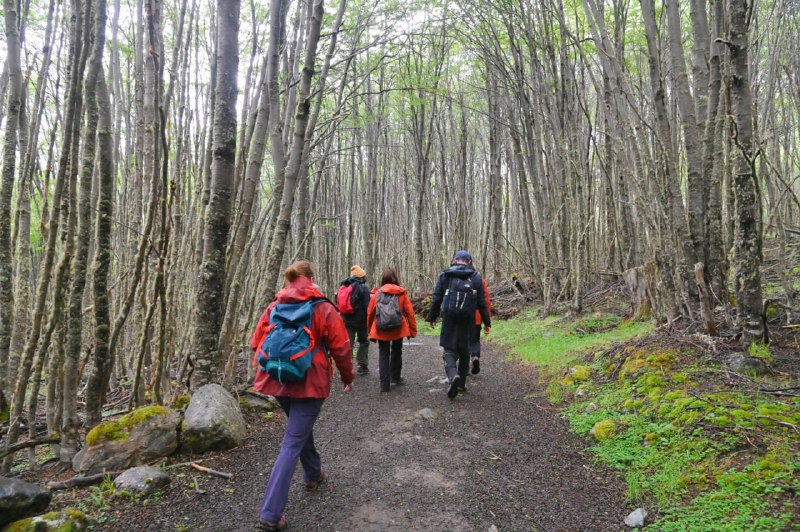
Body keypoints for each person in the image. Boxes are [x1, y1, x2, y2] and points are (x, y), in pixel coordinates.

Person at [251, 260, 354, 531]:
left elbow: (256, 342)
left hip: (277, 379)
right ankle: (270, 513)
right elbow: (341, 347)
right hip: (310, 383)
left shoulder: (275, 305)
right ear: (311, 278)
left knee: (299, 431)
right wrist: (347, 377)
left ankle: (312, 473)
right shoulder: (322, 307)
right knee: (292, 442)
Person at [426, 250, 491, 399]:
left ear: (455, 260)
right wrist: (487, 322)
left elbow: (436, 298)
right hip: (468, 319)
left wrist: (432, 317)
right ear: (469, 262)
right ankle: (461, 383)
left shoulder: (445, 275)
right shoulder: (476, 277)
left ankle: (452, 375)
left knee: (449, 349)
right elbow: (482, 303)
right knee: (465, 350)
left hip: (449, 318)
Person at [366, 267, 417, 392]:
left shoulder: (377, 294)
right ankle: (395, 377)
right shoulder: (401, 293)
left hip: (381, 328)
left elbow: (370, 313)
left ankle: (384, 385)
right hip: (398, 327)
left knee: (383, 354)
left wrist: (369, 328)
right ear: (395, 278)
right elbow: (410, 312)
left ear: (383, 279)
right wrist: (413, 330)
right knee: (397, 350)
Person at [338, 265, 372, 375]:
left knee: (348, 343)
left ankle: (346, 368)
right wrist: (369, 320)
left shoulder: (343, 286)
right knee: (363, 342)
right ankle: (362, 366)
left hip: (346, 319)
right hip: (361, 321)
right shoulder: (363, 287)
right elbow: (367, 306)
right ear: (362, 276)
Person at [469, 275, 492, 375]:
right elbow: (486, 300)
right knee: (475, 340)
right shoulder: (479, 280)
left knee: (462, 341)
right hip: (476, 316)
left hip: (459, 317)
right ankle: (475, 356)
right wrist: (487, 320)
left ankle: (463, 368)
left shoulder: (454, 277)